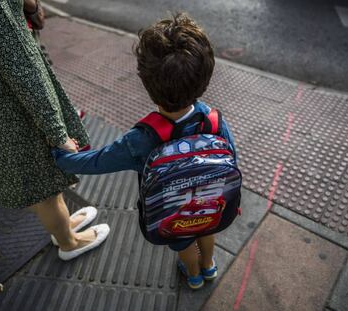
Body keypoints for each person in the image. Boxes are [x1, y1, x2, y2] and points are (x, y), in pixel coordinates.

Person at [52, 13, 238, 288]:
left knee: (184, 241)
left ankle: (194, 274)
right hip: (211, 206)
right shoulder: (214, 121)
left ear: (145, 81)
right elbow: (231, 160)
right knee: (206, 230)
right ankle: (209, 266)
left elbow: (96, 162)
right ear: (206, 77)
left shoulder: (141, 139)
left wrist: (60, 156)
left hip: (173, 212)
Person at [0, 0, 109, 261]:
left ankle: (63, 226)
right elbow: (16, 56)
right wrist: (57, 132)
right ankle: (68, 242)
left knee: (42, 182)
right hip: (5, 99)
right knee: (44, 182)